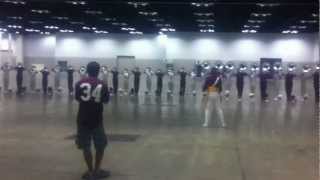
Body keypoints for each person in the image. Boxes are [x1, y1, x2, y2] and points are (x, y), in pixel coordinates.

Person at [75, 61, 110, 180]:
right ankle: (97, 170)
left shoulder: (79, 83)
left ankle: (90, 172)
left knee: (86, 146)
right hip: (97, 119)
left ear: (87, 71)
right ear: (98, 71)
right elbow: (105, 101)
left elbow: (78, 98)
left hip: (82, 118)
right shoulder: (103, 84)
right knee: (100, 146)